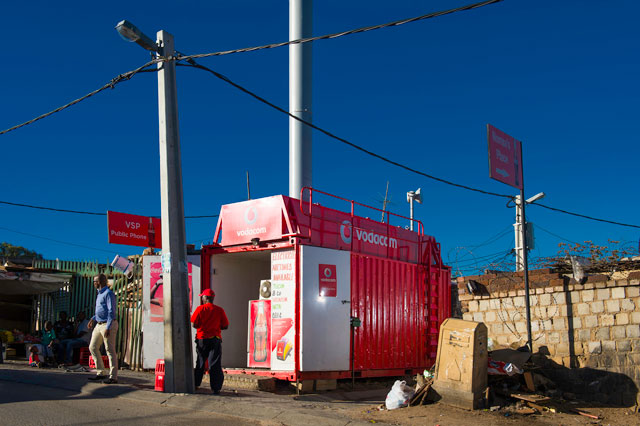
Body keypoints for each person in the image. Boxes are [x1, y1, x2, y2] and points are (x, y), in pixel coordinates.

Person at [191, 288, 229, 395]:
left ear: (205, 298)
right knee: (215, 364)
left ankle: (196, 384)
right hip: (215, 340)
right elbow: (225, 326)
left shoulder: (200, 309)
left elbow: (194, 324)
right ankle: (216, 388)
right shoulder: (219, 310)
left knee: (200, 362)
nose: (201, 298)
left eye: (202, 297)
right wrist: (216, 326)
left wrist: (202, 327)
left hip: (202, 339)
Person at [87, 274, 118, 384]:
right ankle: (101, 372)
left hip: (108, 324)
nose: (93, 283)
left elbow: (111, 311)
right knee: (93, 347)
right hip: (99, 324)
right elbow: (102, 310)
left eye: (94, 281)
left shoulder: (108, 293)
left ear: (99, 282)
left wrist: (108, 327)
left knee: (110, 350)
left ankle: (113, 377)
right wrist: (93, 318)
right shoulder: (99, 293)